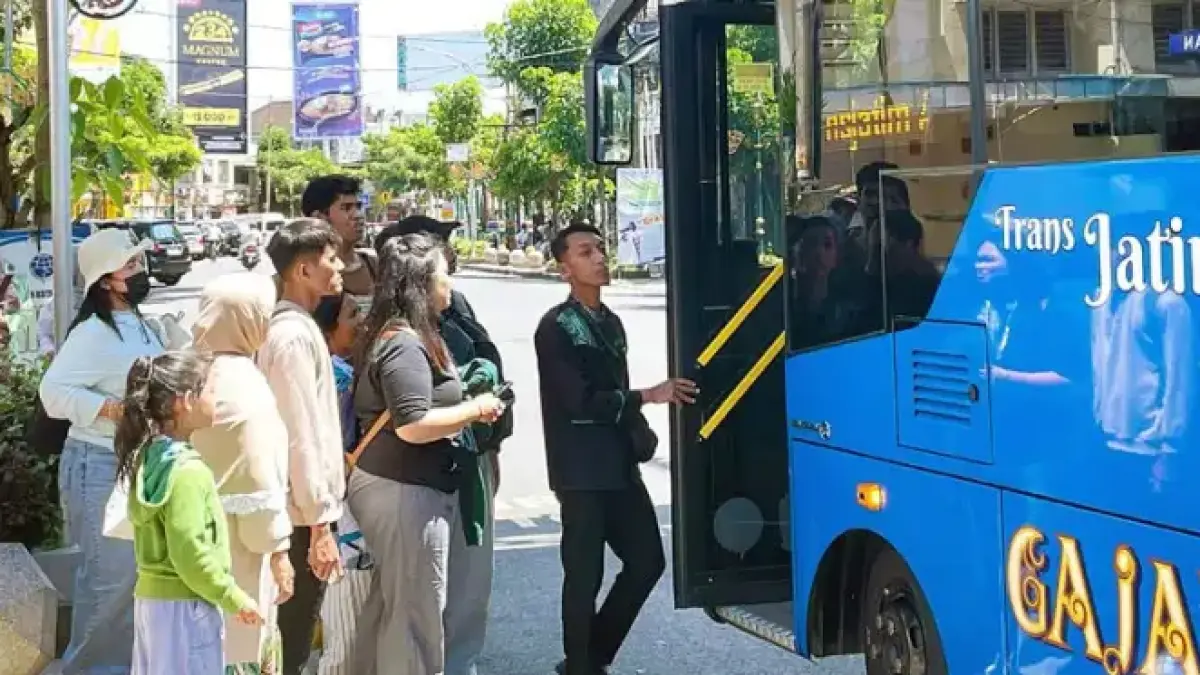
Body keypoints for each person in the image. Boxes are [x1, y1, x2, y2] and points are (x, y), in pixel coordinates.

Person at [534, 223, 698, 675]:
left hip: (620, 465)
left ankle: (591, 656)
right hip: (581, 470)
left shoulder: (610, 321)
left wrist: (637, 423)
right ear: (565, 268)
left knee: (647, 560)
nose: (600, 258)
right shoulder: (556, 327)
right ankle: (582, 665)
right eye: (586, 252)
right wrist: (648, 396)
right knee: (585, 574)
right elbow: (579, 401)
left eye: (601, 249)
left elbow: (614, 388)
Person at [347, 233, 506, 675]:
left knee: (399, 611)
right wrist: (475, 408)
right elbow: (413, 424)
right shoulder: (403, 343)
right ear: (420, 283)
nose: (450, 287)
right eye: (443, 276)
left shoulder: (410, 335)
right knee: (414, 619)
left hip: (410, 488)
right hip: (405, 492)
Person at [39, 228, 164, 675]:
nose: (139, 270)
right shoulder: (93, 332)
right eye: (129, 265)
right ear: (105, 280)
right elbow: (53, 392)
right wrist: (112, 408)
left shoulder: (141, 323)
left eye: (138, 261)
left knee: (127, 583)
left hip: (130, 464)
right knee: (108, 586)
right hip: (99, 466)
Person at [115, 350, 265, 674]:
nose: (218, 399)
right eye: (212, 390)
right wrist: (232, 596)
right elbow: (189, 551)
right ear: (185, 401)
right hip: (188, 607)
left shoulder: (150, 458)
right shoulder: (189, 471)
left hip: (152, 605)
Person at [190, 273, 295, 674]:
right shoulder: (244, 385)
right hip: (236, 551)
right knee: (240, 645)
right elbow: (260, 480)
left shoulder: (187, 371)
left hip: (185, 551)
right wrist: (279, 551)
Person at [256, 218, 347, 675]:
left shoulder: (299, 327)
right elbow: (299, 435)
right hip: (298, 517)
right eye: (331, 259)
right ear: (302, 270)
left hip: (302, 512)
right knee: (291, 641)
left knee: (294, 638)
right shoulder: (291, 335)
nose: (341, 266)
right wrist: (318, 525)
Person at [311, 291, 373, 675]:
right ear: (330, 329)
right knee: (343, 619)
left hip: (338, 505)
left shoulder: (334, 370)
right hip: (339, 508)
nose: (361, 322)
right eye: (352, 315)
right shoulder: (338, 377)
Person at [302, 175, 373, 301]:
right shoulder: (301, 274)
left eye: (358, 207)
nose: (358, 215)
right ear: (319, 217)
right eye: (346, 208)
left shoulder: (374, 265)